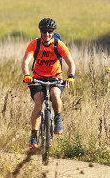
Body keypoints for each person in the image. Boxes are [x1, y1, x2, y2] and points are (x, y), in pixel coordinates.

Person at [21, 17, 75, 150]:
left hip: (55, 78)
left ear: (53, 32)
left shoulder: (59, 45)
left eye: (50, 31)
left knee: (55, 95)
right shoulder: (35, 44)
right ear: (40, 32)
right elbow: (25, 61)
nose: (47, 34)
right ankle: (34, 135)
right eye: (44, 31)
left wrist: (71, 77)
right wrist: (27, 75)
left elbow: (70, 63)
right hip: (38, 79)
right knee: (38, 105)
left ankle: (57, 117)